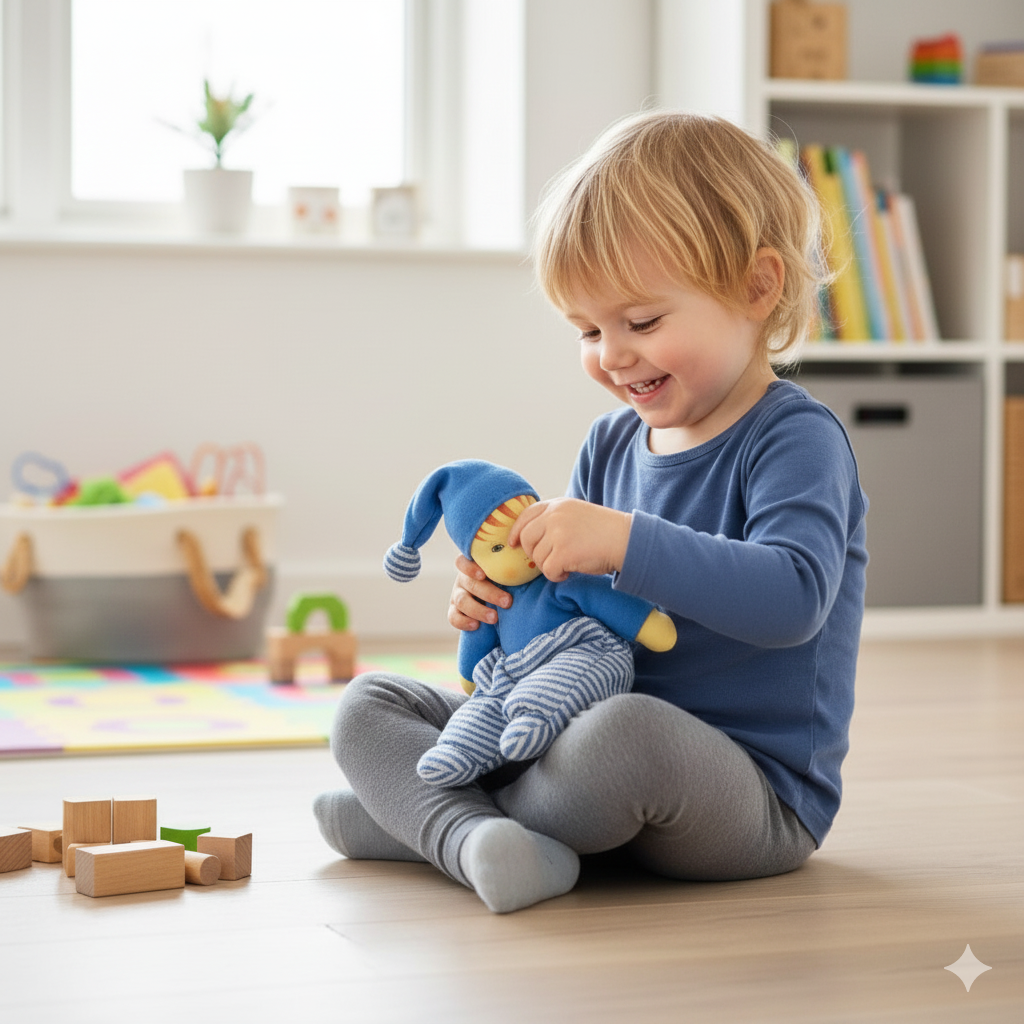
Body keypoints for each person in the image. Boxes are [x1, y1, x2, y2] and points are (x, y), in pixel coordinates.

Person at [313, 110, 868, 915]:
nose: (611, 354)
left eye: (641, 322)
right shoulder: (611, 444)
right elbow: (576, 626)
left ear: (757, 287)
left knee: (626, 736)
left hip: (746, 793)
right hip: (575, 735)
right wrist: (496, 607)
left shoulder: (795, 439)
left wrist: (622, 542)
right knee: (369, 704)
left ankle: (425, 823)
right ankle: (473, 838)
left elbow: (793, 600)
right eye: (587, 330)